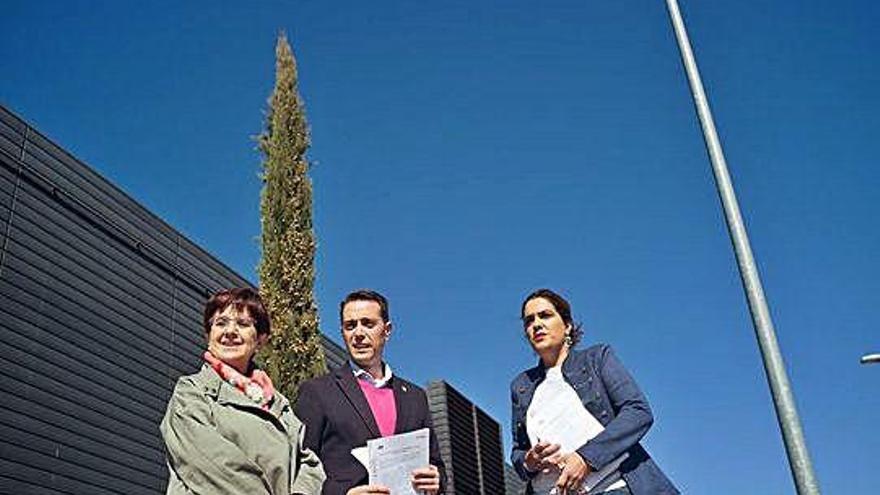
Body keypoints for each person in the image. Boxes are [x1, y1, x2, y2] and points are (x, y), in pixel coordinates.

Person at [510, 289, 678, 495]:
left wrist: (586, 458)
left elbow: (637, 412)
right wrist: (529, 461)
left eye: (545, 315)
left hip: (610, 487)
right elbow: (518, 450)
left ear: (567, 326)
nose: (536, 324)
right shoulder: (522, 386)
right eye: (529, 321)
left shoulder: (596, 359)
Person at [160, 287, 325, 494]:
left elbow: (309, 464)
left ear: (260, 340)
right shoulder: (192, 391)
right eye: (220, 323)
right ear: (208, 336)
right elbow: (212, 463)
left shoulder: (278, 404)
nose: (230, 331)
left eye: (243, 324)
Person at [295, 289, 446, 495]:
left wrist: (436, 480)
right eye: (350, 326)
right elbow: (299, 469)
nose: (358, 333)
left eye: (368, 323)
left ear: (387, 330)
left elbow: (437, 465)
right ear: (343, 333)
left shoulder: (415, 397)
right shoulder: (318, 392)